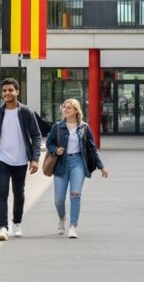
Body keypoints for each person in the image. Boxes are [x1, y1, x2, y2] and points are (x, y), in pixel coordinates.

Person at [0, 78, 42, 241]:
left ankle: (17, 222)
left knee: (19, 192)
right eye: (4, 90)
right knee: (2, 192)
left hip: (21, 159)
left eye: (10, 90)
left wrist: (35, 158)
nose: (7, 93)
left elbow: (36, 135)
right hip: (1, 158)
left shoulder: (26, 112)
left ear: (17, 92)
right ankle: (3, 227)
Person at [46, 99, 109, 238]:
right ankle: (62, 217)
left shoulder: (84, 128)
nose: (66, 110)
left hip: (78, 163)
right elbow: (49, 143)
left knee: (75, 195)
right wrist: (56, 150)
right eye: (64, 107)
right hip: (61, 163)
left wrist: (101, 166)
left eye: (69, 108)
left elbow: (92, 149)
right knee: (58, 199)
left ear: (76, 110)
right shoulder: (57, 127)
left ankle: (73, 226)